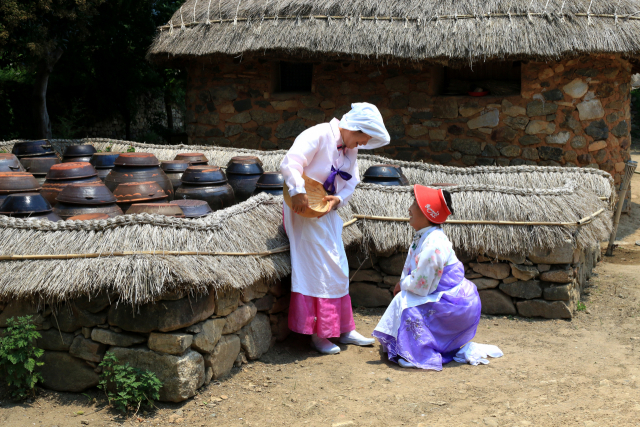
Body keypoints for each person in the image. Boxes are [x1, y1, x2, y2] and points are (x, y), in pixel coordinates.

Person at [280, 103, 390, 355]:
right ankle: (320, 334)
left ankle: (342, 328)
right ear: (355, 128)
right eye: (363, 137)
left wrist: (339, 199)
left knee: (339, 266)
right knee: (318, 267)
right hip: (304, 209)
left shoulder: (350, 149)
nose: (363, 143)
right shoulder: (318, 134)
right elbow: (291, 162)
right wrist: (297, 191)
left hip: (326, 209)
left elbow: (352, 181)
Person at [372, 185, 482, 370]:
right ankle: (410, 346)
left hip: (455, 304)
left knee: (406, 302)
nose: (409, 208)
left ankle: (418, 352)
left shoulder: (434, 243)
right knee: (405, 298)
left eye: (414, 203)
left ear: (426, 212)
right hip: (447, 298)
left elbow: (422, 287)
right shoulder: (426, 237)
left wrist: (403, 285)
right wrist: (404, 283)